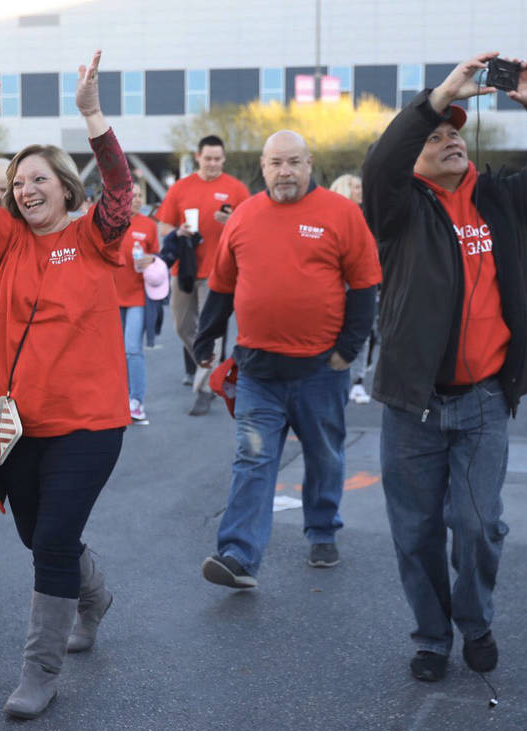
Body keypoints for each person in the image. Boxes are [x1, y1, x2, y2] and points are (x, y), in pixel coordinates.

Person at [361, 53, 527, 682]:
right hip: (415, 404)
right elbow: (380, 165)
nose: (450, 138)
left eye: (455, 130)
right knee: (416, 533)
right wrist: (438, 97)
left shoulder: (503, 201)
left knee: (479, 523)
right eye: (434, 136)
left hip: (486, 400)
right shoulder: (397, 211)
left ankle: (475, 620)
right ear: (413, 155)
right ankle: (432, 637)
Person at [0, 50, 133, 720]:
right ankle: (93, 598)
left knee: (54, 540)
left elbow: (118, 189)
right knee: (38, 537)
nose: (25, 189)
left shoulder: (96, 238)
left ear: (64, 187)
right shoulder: (1, 244)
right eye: (18, 181)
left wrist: (91, 115)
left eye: (38, 179)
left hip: (89, 424)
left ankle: (38, 673)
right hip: (13, 424)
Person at [195, 130, 381, 589]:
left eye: (294, 162)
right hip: (258, 370)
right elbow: (221, 284)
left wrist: (347, 351)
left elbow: (364, 286)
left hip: (321, 368)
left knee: (324, 454)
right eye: (276, 163)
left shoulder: (342, 214)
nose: (285, 172)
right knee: (253, 460)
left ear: (309, 163)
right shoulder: (244, 216)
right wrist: (207, 337)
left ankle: (321, 529)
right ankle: (238, 555)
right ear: (262, 166)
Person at [157, 135, 250, 415]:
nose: (212, 164)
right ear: (198, 157)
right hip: (184, 268)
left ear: (224, 159)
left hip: (219, 272)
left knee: (214, 329)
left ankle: (205, 389)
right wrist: (179, 231)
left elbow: (252, 227)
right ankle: (206, 363)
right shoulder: (181, 188)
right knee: (182, 326)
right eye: (208, 158)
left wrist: (231, 220)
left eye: (218, 159)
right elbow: (163, 228)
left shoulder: (236, 189)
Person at [114, 183, 159, 424]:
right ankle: (119, 399)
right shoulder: (112, 222)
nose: (138, 199)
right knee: (115, 352)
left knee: (132, 348)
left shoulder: (149, 226)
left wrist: (152, 259)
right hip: (111, 297)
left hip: (138, 297)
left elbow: (159, 258)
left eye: (141, 195)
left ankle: (136, 401)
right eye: (133, 195)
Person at [329, 173, 375, 405]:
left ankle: (357, 381)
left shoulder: (366, 213)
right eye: (355, 187)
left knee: (363, 330)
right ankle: (339, 376)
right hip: (337, 280)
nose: (360, 190)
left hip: (362, 280)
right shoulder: (335, 214)